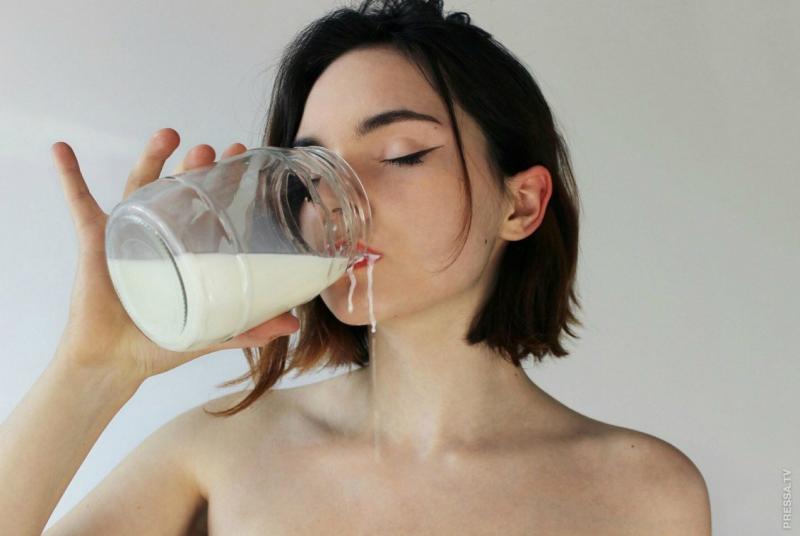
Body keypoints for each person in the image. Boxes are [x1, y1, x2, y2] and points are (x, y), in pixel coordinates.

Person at [1, 0, 712, 534]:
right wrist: (91, 370)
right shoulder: (222, 453)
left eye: (401, 155)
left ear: (521, 204)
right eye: (312, 172)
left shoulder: (642, 495)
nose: (339, 201)